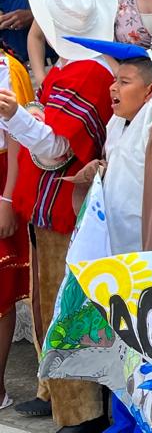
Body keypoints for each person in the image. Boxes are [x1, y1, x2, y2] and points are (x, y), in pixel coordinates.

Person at [0, 0, 117, 431]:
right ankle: (59, 397)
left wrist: (17, 116)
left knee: (62, 304)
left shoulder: (85, 73)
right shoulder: (79, 66)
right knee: (52, 302)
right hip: (52, 204)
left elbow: (56, 149)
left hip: (63, 206)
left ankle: (79, 411)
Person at [60, 39, 152, 255]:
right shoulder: (118, 123)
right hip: (115, 238)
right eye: (115, 79)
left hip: (145, 246)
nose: (113, 87)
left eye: (124, 82)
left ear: (151, 91)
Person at [0, 47, 34, 413]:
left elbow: (16, 136)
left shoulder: (6, 69)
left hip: (1, 178)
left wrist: (8, 198)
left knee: (1, 288)